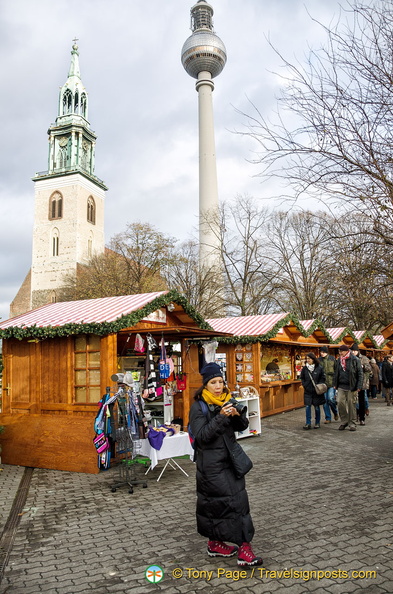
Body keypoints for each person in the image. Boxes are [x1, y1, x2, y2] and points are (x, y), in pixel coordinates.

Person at [189, 362, 263, 567]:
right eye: (213, 382)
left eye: (220, 381)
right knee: (229, 504)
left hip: (231, 461)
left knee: (227, 503)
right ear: (205, 385)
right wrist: (221, 417)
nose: (218, 386)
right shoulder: (199, 406)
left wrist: (237, 415)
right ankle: (244, 549)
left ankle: (215, 543)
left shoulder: (228, 400)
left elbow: (242, 427)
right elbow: (202, 436)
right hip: (211, 466)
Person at [334, 344, 363, 431]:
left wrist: (359, 386)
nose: (340, 353)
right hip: (341, 386)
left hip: (352, 386)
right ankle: (344, 421)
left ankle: (352, 423)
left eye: (341, 351)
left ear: (346, 351)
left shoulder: (355, 359)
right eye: (339, 351)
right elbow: (336, 372)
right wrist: (335, 383)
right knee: (339, 402)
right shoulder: (339, 360)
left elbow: (360, 373)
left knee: (351, 405)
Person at [300, 353, 326, 430]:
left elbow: (323, 378)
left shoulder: (319, 368)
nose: (308, 360)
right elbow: (302, 378)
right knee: (308, 407)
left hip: (316, 391)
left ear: (313, 359)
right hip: (308, 391)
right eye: (307, 359)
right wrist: (305, 385)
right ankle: (308, 423)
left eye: (309, 359)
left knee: (317, 407)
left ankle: (317, 422)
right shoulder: (305, 369)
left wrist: (318, 385)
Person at [350, 344, 371, 425]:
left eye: (354, 351)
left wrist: (363, 366)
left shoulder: (364, 358)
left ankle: (362, 418)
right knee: (354, 401)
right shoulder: (350, 358)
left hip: (362, 383)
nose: (353, 352)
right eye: (352, 351)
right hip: (353, 382)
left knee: (361, 400)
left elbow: (369, 369)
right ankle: (356, 416)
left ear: (357, 351)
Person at [318, 346, 338, 424]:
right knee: (324, 401)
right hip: (323, 384)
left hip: (331, 383)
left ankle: (335, 411)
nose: (321, 353)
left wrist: (336, 383)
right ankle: (328, 417)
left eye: (323, 352)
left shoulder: (332, 359)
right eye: (321, 352)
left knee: (330, 399)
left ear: (326, 352)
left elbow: (336, 371)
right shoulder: (319, 360)